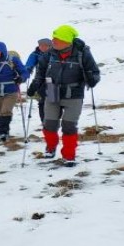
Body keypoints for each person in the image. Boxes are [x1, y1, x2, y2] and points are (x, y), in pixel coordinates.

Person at [29, 25, 100, 167]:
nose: (53, 41)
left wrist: (91, 78)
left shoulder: (82, 53)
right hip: (52, 91)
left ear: (67, 41)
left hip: (74, 94)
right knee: (49, 124)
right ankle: (51, 147)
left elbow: (95, 72)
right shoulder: (49, 54)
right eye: (53, 38)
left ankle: (69, 155)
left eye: (57, 39)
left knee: (69, 126)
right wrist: (34, 87)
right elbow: (40, 73)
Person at [25, 39, 52, 122]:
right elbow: (29, 65)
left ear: (50, 46)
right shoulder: (35, 54)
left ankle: (50, 122)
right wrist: (26, 72)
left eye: (45, 46)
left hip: (52, 81)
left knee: (51, 101)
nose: (43, 47)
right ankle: (45, 122)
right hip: (40, 80)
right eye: (41, 45)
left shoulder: (54, 54)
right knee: (42, 101)